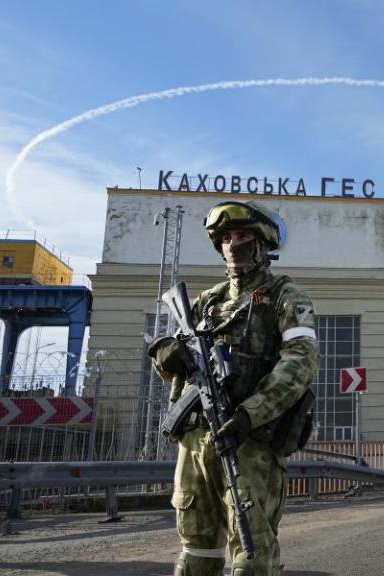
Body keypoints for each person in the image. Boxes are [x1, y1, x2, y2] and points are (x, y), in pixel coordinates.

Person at [149, 200, 318, 576]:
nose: (232, 244)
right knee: (195, 553)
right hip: (195, 440)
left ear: (261, 244)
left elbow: (300, 362)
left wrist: (250, 413)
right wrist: (168, 355)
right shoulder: (208, 301)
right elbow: (168, 359)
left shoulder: (285, 296)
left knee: (252, 555)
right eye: (226, 237)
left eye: (242, 236)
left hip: (250, 441)